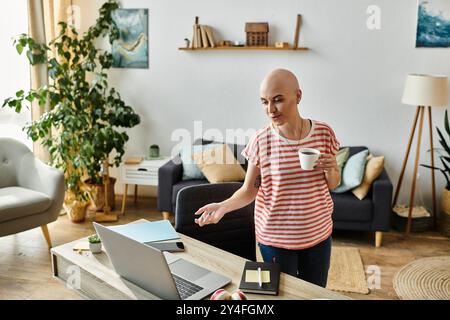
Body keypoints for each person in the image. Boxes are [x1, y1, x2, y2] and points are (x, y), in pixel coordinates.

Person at [194, 68, 340, 287]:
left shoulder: (324, 133)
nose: (270, 110)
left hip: (318, 235)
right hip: (275, 240)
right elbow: (249, 190)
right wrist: (223, 206)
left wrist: (333, 169)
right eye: (264, 102)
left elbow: (333, 183)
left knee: (315, 293)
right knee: (280, 294)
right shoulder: (261, 141)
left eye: (278, 100)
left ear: (298, 96)